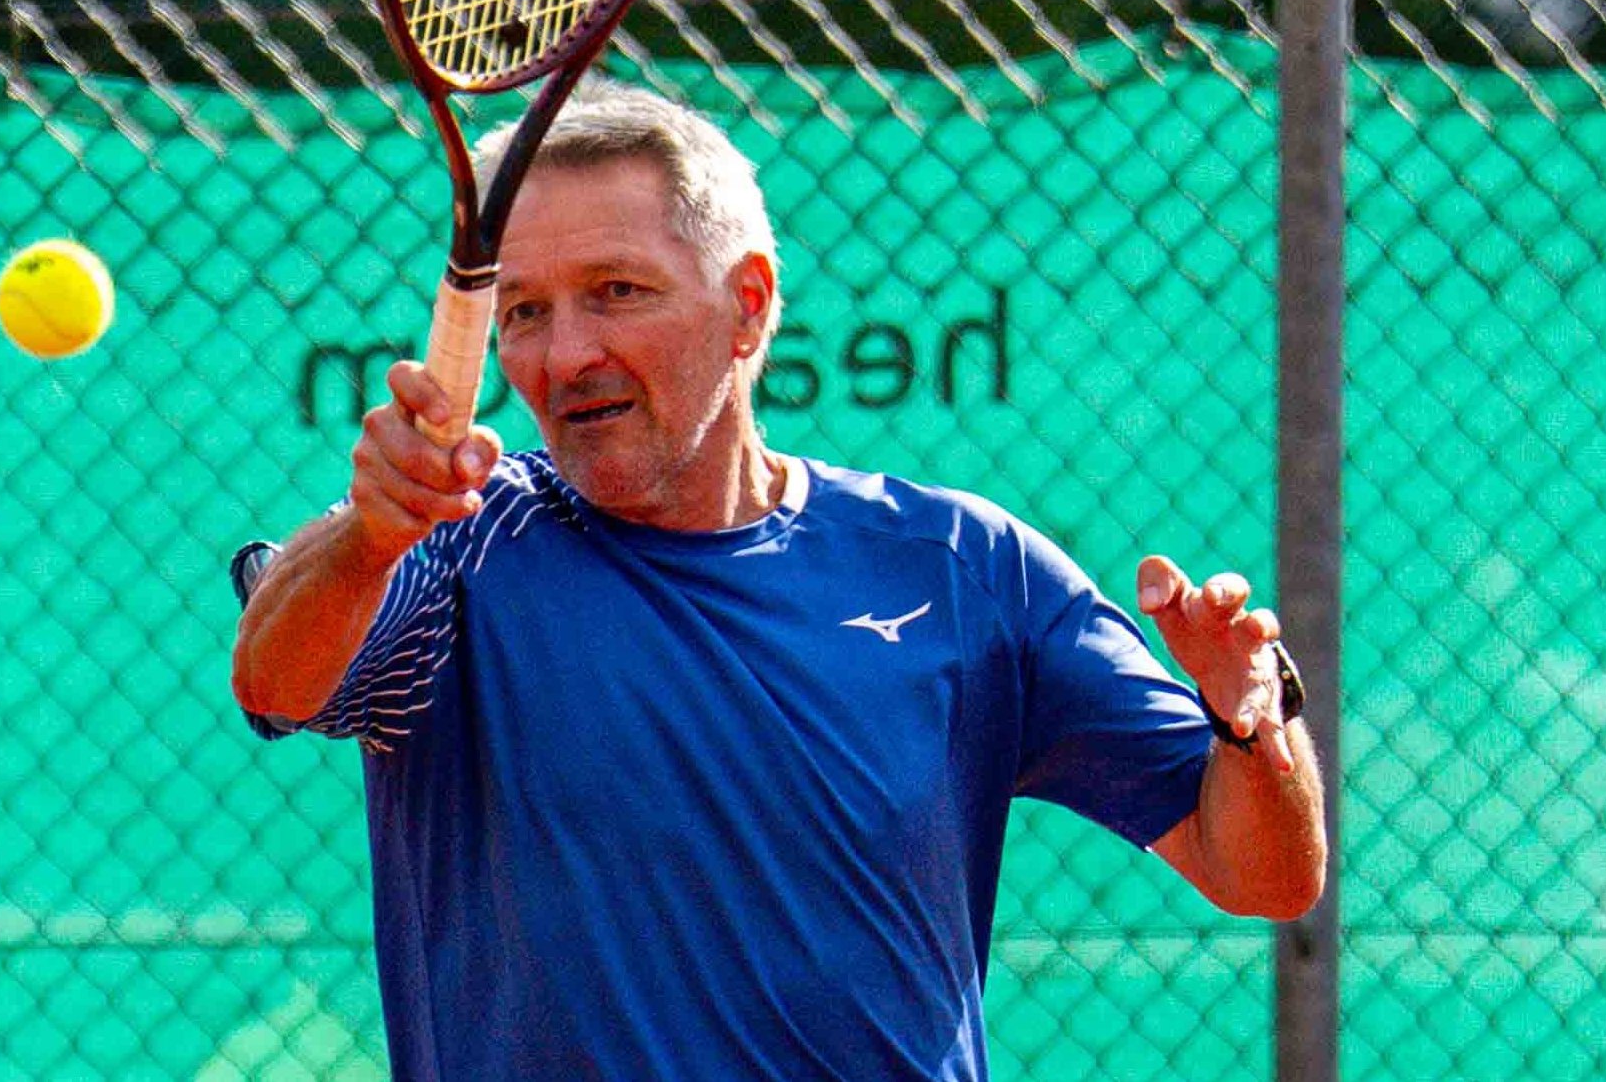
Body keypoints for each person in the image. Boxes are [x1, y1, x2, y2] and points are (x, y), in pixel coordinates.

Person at [230, 82, 1326, 1082]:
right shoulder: (457, 544)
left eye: (616, 291)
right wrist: (370, 535)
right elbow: (277, 677)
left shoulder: (964, 567)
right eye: (524, 310)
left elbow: (1263, 872)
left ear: (748, 304)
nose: (564, 355)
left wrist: (1250, 721)